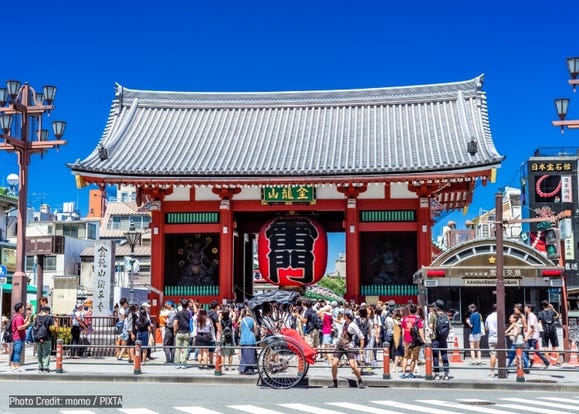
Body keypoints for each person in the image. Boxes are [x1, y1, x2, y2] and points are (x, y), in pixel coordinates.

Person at [330, 310, 365, 388]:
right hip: (340, 345)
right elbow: (338, 321)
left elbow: (361, 337)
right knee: (334, 364)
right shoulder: (344, 322)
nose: (343, 316)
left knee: (352, 365)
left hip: (349, 346)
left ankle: (360, 380)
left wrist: (361, 348)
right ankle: (334, 381)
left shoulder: (353, 325)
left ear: (347, 316)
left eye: (344, 315)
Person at [400, 303, 424, 379]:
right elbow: (420, 331)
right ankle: (411, 373)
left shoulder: (405, 319)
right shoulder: (418, 320)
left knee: (406, 357)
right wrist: (424, 340)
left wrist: (403, 340)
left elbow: (403, 331)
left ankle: (403, 373)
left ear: (409, 310)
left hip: (407, 340)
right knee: (414, 358)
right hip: (415, 341)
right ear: (416, 311)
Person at [525, 303, 550, 369]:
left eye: (526, 307)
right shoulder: (530, 315)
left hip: (533, 337)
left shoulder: (531, 316)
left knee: (535, 351)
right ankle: (528, 363)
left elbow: (532, 328)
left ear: (529, 309)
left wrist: (527, 336)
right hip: (531, 336)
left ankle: (547, 362)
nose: (525, 308)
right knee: (526, 350)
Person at [430, 300, 450, 380]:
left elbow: (430, 327)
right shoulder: (446, 316)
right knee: (444, 356)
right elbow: (449, 327)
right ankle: (446, 374)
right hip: (443, 339)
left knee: (435, 357)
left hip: (435, 339)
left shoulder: (433, 315)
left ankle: (437, 374)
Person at [9, 302, 32, 372]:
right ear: (19, 309)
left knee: (15, 352)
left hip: (16, 337)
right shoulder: (19, 317)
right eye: (22, 307)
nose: (24, 309)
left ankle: (12, 365)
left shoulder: (16, 316)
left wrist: (27, 318)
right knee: (17, 352)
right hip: (18, 337)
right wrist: (27, 324)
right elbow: (19, 327)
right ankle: (17, 366)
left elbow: (21, 323)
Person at [34, 306, 55, 373]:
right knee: (46, 354)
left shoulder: (37, 317)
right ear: (47, 311)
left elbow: (35, 327)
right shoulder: (49, 318)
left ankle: (40, 367)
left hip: (38, 337)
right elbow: (52, 328)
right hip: (46, 337)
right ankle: (46, 368)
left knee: (39, 353)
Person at [538, 300, 560, 365]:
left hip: (545, 330)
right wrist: (553, 308)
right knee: (555, 345)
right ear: (548, 305)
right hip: (552, 330)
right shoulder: (552, 312)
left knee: (545, 346)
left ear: (542, 306)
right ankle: (557, 361)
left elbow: (539, 322)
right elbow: (558, 315)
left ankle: (548, 361)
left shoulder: (540, 313)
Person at [238, 307, 257, 375]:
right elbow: (255, 331)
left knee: (243, 355)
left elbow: (240, 329)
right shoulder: (253, 321)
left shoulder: (242, 320)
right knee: (251, 355)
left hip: (243, 339)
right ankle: (250, 370)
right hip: (251, 339)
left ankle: (242, 369)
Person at [173, 299, 192, 369]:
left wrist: (175, 331)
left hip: (179, 332)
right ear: (187, 305)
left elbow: (175, 323)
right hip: (187, 332)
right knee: (185, 348)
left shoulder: (178, 313)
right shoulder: (189, 313)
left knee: (177, 348)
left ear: (181, 305)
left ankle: (177, 363)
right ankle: (184, 363)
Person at [485, 304, 498, 377]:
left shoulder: (488, 317)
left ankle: (492, 372)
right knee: (502, 355)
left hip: (491, 338)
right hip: (500, 338)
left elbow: (486, 328)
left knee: (493, 355)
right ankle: (502, 370)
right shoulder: (500, 316)